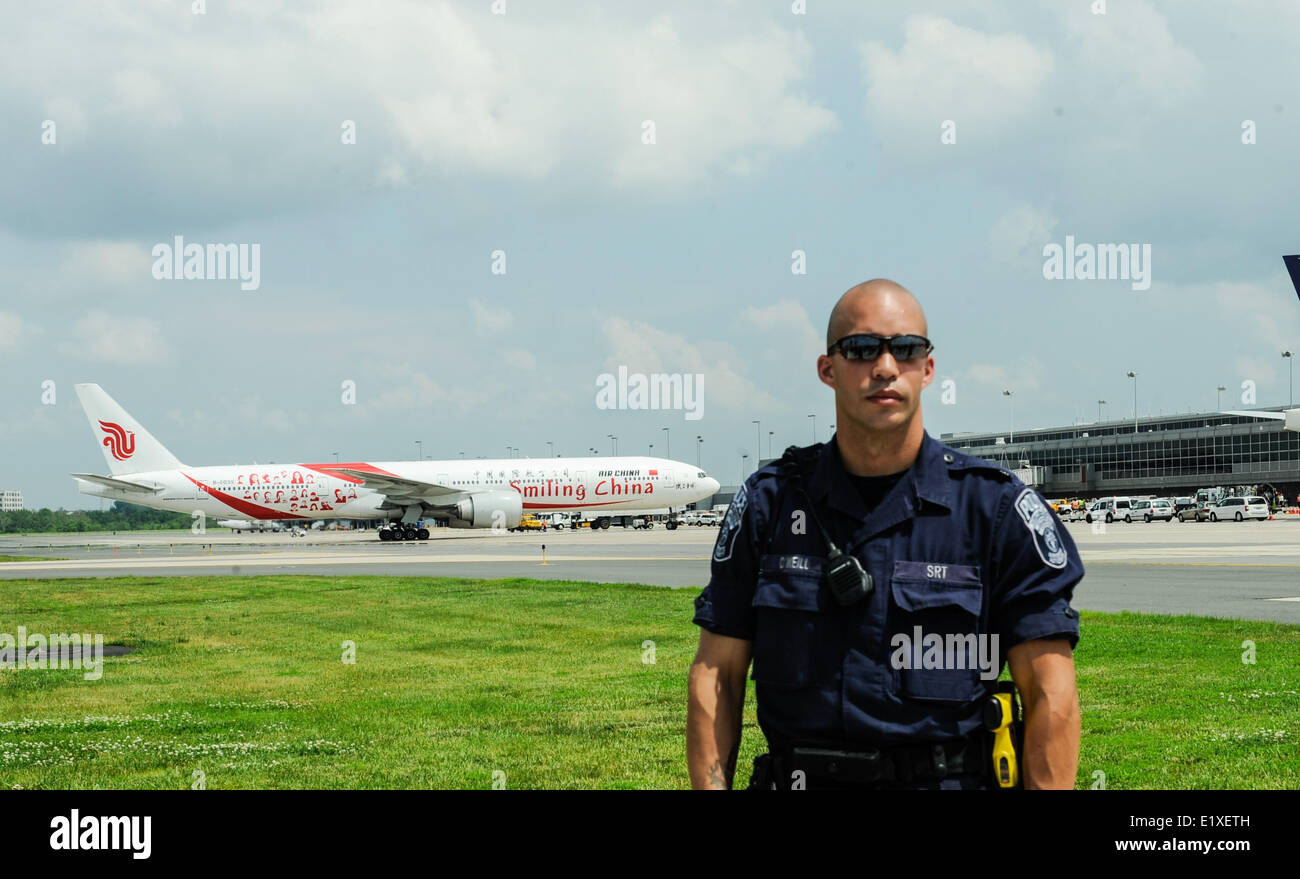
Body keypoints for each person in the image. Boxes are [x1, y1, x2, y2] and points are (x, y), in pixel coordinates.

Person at [686, 279, 1083, 790]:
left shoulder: (994, 509)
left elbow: (1049, 688)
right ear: (827, 369)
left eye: (906, 349)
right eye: (862, 348)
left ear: (928, 368)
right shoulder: (772, 502)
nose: (886, 367)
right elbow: (718, 674)